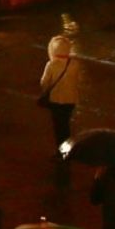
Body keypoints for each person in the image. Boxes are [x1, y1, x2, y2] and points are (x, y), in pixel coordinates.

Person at [37, 23, 83, 162]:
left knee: (58, 127)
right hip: (71, 100)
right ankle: (68, 148)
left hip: (56, 100)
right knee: (66, 125)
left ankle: (61, 151)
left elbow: (44, 83)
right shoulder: (74, 64)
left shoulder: (52, 65)